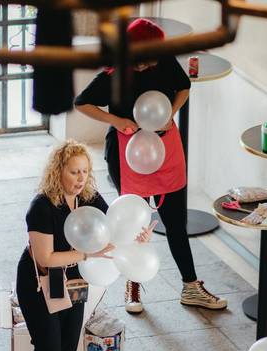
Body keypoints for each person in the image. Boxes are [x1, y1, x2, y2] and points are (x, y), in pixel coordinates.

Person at [74, 17, 227, 315]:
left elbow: (183, 87)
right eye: (141, 63)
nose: (146, 67)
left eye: (151, 61)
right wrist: (117, 120)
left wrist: (172, 111)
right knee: (133, 224)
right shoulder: (114, 73)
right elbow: (83, 102)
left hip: (166, 150)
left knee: (175, 224)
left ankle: (191, 286)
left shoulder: (163, 60)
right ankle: (132, 284)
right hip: (126, 152)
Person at [14, 141, 146, 351]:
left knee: (68, 345)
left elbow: (114, 229)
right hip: (40, 280)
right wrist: (88, 254)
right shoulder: (42, 207)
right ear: (58, 171)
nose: (80, 178)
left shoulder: (89, 198)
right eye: (74, 172)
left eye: (85, 171)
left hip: (73, 277)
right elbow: (45, 257)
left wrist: (138, 236)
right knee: (48, 346)